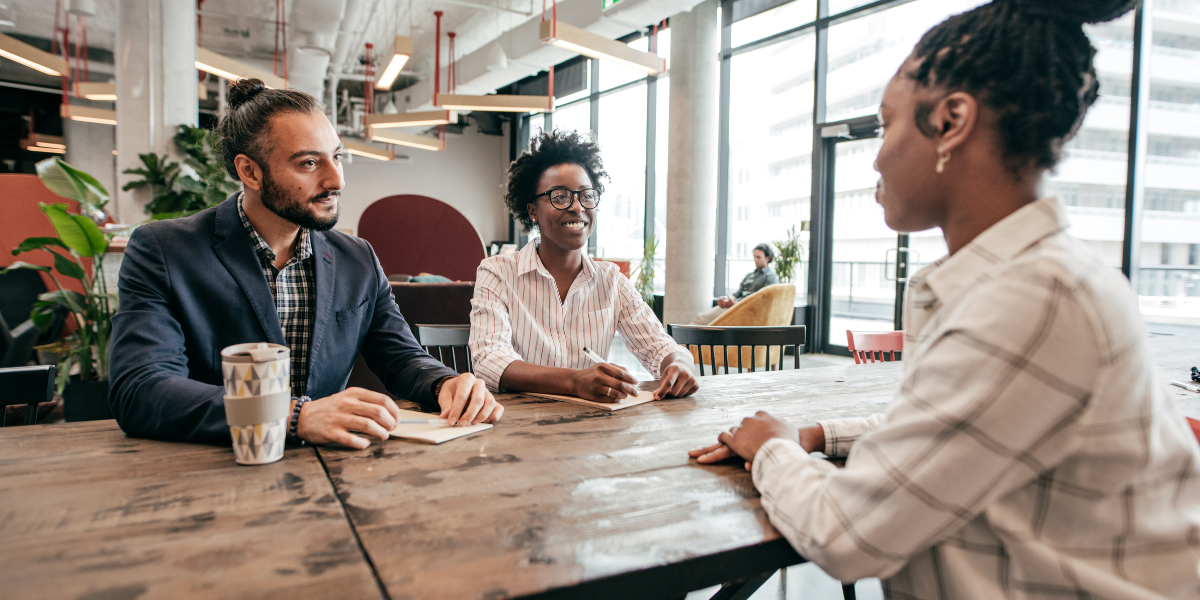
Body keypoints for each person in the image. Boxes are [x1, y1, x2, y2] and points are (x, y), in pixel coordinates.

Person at [689, 0, 1200, 596]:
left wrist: (773, 449)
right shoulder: (1023, 280)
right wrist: (819, 433)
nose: (877, 156)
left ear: (951, 120)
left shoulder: (1033, 297)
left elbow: (845, 533)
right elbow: (953, 427)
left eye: (885, 125)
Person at [109, 79, 502, 449]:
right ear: (250, 171)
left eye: (336, 157)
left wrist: (444, 384)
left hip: (333, 470)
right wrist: (295, 417)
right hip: (213, 471)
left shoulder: (357, 258)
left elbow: (400, 356)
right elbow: (142, 389)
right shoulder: (164, 250)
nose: (336, 180)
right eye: (309, 164)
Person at [469, 130, 699, 402]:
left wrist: (679, 365)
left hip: (592, 426)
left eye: (586, 195)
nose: (577, 207)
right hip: (518, 424)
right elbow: (489, 360)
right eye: (560, 196)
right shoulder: (497, 272)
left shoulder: (611, 279)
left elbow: (659, 346)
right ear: (532, 211)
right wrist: (574, 381)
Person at [692, 243, 779, 325]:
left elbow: (763, 302)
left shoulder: (770, 277)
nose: (755, 260)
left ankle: (681, 340)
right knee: (700, 318)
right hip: (734, 306)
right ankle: (682, 340)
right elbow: (737, 294)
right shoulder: (749, 275)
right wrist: (727, 300)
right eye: (754, 257)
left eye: (758, 257)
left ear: (767, 258)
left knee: (702, 319)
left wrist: (736, 304)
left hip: (744, 310)